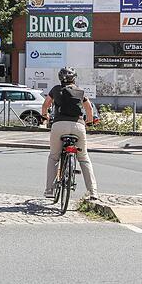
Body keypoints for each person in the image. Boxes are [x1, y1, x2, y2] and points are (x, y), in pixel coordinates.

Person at [41, 67, 98, 200]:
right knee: (83, 158)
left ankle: (49, 190)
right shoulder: (80, 91)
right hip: (78, 126)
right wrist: (89, 122)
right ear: (74, 78)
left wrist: (45, 116)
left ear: (60, 78)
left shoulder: (55, 90)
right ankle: (93, 192)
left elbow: (46, 105)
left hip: (59, 126)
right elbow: (89, 108)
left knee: (54, 157)